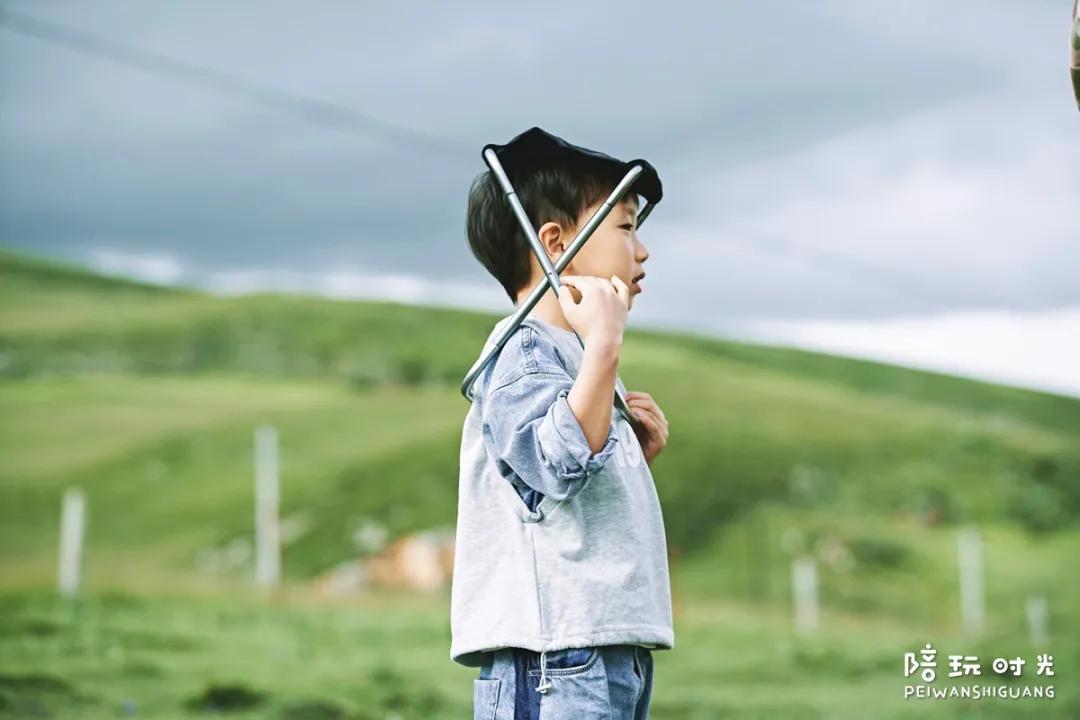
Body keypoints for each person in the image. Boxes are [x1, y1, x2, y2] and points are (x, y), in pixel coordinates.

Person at [450, 127, 674, 720]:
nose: (643, 250)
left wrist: (629, 453)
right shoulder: (523, 352)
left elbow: (558, 491)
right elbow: (549, 465)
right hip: (553, 655)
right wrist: (605, 349)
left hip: (603, 644)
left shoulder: (576, 353)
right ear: (553, 243)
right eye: (626, 227)